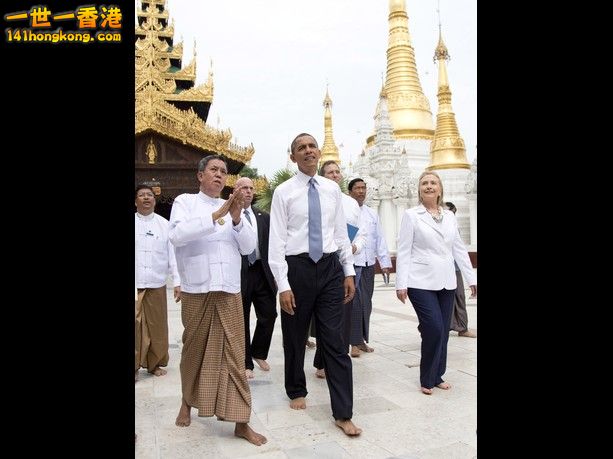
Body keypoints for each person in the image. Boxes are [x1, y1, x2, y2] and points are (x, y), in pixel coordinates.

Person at [168, 155, 267, 446]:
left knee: (236, 356)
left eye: (224, 172)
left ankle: (241, 421)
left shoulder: (235, 209)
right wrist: (216, 215)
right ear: (200, 175)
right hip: (197, 289)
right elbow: (177, 236)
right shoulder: (185, 202)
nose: (219, 175)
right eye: (214, 170)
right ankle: (187, 401)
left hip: (228, 290)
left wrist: (235, 218)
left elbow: (249, 246)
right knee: (193, 351)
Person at [268, 133, 362, 436]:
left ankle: (343, 412)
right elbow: (276, 242)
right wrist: (283, 284)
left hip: (331, 267)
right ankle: (296, 388)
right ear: (292, 156)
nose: (308, 151)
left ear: (318, 152)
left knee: (335, 341)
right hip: (298, 269)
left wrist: (347, 271)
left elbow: (339, 233)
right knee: (295, 335)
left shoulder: (332, 189)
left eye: (311, 146)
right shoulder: (283, 192)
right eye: (301, 148)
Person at [395, 171, 477, 396]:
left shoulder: (449, 216)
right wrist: (400, 283)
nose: (429, 186)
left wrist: (471, 279)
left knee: (442, 331)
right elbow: (403, 250)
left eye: (433, 183)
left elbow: (458, 248)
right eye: (424, 183)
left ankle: (438, 374)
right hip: (419, 281)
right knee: (433, 327)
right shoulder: (411, 215)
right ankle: (426, 377)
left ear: (440, 189)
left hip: (447, 281)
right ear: (419, 190)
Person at [312, 160, 367, 372]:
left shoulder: (351, 203)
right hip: (322, 261)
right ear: (322, 176)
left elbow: (361, 233)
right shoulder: (315, 198)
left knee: (343, 313)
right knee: (324, 315)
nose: (335, 175)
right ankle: (322, 360)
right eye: (329, 172)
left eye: (337, 172)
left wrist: (354, 248)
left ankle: (336, 361)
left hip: (345, 262)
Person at [135, 184, 181, 380]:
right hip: (135, 282)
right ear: (135, 200)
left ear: (154, 200)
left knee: (157, 327)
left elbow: (173, 256)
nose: (146, 198)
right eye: (142, 195)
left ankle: (154, 365)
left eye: (149, 195)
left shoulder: (165, 224)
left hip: (156, 282)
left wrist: (178, 282)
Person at [235, 176, 278, 379]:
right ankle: (246, 363)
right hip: (240, 272)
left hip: (262, 271)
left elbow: (273, 246)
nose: (248, 191)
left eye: (251, 188)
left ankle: (258, 351)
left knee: (269, 314)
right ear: (235, 191)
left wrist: (277, 273)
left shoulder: (263, 216)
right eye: (243, 187)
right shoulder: (229, 215)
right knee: (241, 318)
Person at [348, 178, 393, 353]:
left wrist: (385, 262)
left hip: (369, 263)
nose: (361, 191)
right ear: (350, 191)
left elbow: (379, 238)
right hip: (354, 263)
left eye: (363, 188)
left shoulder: (372, 213)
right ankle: (353, 342)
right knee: (355, 303)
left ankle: (361, 339)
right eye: (357, 188)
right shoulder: (347, 212)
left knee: (367, 302)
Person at [444, 202, 477, 338]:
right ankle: (440, 327)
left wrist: (471, 278)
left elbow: (460, 251)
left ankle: (462, 328)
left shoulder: (454, 227)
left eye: (450, 212)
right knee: (443, 299)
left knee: (459, 297)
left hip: (455, 268)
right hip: (440, 269)